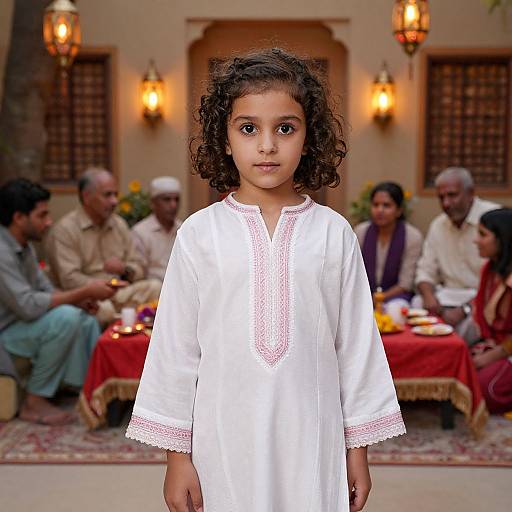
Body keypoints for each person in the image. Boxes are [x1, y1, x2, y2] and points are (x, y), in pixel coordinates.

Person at [126, 48, 405, 512]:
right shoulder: (200, 233)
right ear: (225, 138)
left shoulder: (333, 233)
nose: (267, 145)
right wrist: (177, 458)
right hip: (222, 439)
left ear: (308, 137)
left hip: (312, 438)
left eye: (286, 128)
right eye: (249, 128)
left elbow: (356, 348)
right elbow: (175, 351)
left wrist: (358, 452)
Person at [0, 178, 115, 425]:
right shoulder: (2, 251)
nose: (49, 221)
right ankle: (34, 401)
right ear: (19, 217)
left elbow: (45, 289)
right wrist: (83, 292)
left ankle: (87, 391)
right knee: (66, 317)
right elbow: (28, 305)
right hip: (6, 333)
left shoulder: (25, 246)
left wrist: (80, 301)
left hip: (23, 324)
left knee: (85, 317)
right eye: (42, 215)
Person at [46, 168, 161, 325]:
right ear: (87, 197)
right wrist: (98, 287)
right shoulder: (65, 230)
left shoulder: (118, 224)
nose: (114, 201)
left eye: (115, 194)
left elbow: (139, 266)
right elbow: (69, 279)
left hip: (119, 292)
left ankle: (142, 345)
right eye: (107, 195)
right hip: (85, 296)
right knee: (105, 311)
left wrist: (124, 270)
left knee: (156, 288)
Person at [415, 167, 500, 340]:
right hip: (447, 295)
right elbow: (425, 270)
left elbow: (500, 282)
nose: (446, 203)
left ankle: (452, 359)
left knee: (471, 322)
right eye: (441, 197)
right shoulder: (438, 225)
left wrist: (465, 309)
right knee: (417, 304)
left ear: (471, 193)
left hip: (482, 297)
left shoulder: (493, 219)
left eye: (452, 195)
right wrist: (429, 296)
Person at [354, 181, 423, 310]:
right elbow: (354, 273)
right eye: (375, 205)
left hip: (397, 298)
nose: (380, 210)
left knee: (394, 311)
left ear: (399, 210)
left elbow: (405, 283)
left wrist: (379, 298)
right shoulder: (361, 232)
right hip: (365, 296)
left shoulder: (412, 236)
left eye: (386, 205)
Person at [472, 208, 512, 414]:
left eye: (483, 234)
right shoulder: (489, 269)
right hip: (494, 346)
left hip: (507, 351)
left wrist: (489, 358)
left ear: (502, 239)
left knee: (484, 390)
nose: (475, 240)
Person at [132, 176, 183, 281]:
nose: (173, 205)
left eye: (176, 200)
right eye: (167, 200)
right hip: (153, 291)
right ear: (153, 203)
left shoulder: (184, 229)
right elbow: (138, 271)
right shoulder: (140, 232)